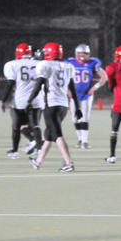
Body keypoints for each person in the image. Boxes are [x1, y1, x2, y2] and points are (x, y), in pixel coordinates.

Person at [27, 42, 81, 172]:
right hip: (63, 105)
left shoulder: (45, 65)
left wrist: (29, 101)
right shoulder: (68, 66)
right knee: (49, 134)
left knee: (56, 135)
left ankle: (69, 163)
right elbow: (73, 89)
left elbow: (38, 85)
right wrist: (78, 107)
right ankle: (38, 161)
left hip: (51, 104)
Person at [0, 43, 44, 158]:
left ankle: (15, 151)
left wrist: (2, 100)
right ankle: (39, 149)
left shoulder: (12, 64)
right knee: (35, 125)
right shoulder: (40, 64)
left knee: (17, 126)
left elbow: (10, 83)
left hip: (20, 100)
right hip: (37, 99)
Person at [65, 44, 107, 149]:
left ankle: (85, 141)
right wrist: (67, 90)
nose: (83, 55)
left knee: (85, 117)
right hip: (74, 94)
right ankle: (80, 139)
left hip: (86, 94)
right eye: (81, 53)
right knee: (75, 119)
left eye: (85, 53)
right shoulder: (69, 63)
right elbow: (62, 77)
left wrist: (94, 88)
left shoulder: (93, 63)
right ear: (77, 53)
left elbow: (104, 77)